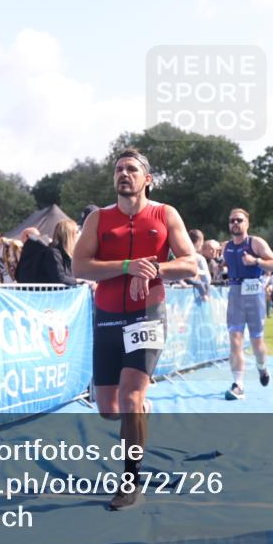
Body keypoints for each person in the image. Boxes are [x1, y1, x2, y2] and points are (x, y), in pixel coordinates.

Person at [71, 149, 196, 511]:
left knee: (129, 399)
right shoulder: (98, 219)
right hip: (108, 317)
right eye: (118, 169)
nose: (123, 174)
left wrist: (153, 269)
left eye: (131, 169)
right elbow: (80, 267)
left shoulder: (165, 214)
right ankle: (141, 408)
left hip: (147, 315)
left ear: (147, 179)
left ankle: (130, 482)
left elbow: (190, 264)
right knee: (109, 410)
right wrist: (127, 266)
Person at [221, 208, 273, 400]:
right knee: (235, 339)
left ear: (247, 223)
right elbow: (223, 265)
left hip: (254, 296)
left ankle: (262, 367)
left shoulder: (255, 242)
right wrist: (221, 270)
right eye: (232, 220)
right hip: (235, 294)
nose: (235, 223)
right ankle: (238, 384)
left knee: (257, 341)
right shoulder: (226, 247)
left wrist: (256, 261)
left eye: (239, 220)